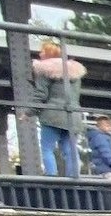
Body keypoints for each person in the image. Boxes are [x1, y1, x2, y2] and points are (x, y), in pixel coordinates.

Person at [29, 41, 86, 177]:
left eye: (43, 51)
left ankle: (51, 176)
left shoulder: (45, 70)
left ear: (49, 54)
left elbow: (41, 95)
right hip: (73, 115)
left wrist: (29, 112)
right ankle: (74, 178)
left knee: (47, 148)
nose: (40, 54)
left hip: (52, 115)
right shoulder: (75, 73)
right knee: (69, 149)